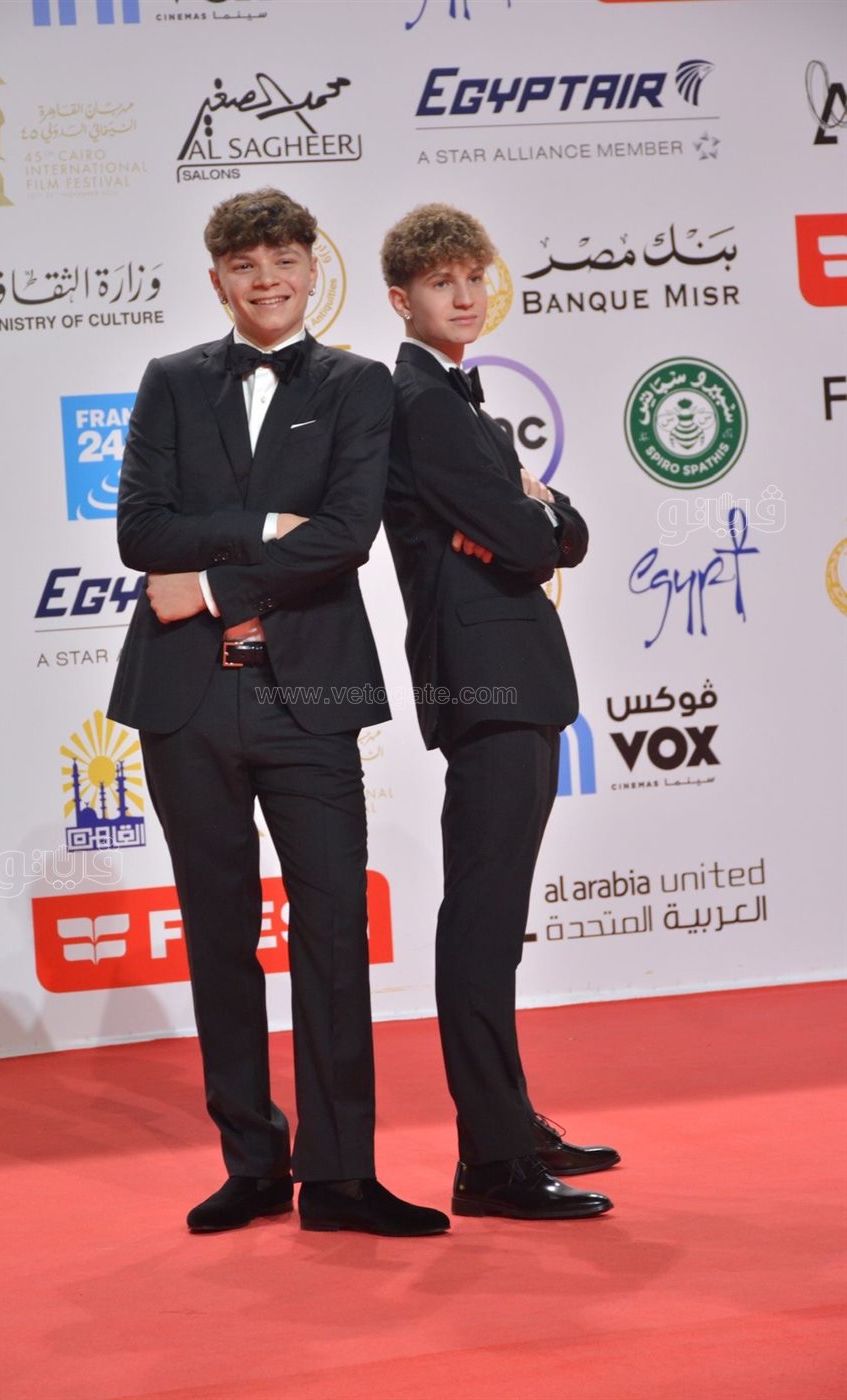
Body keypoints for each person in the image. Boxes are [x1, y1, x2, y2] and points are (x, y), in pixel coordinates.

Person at [108, 188, 448, 1238]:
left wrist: (212, 582)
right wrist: (264, 527)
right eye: (244, 264)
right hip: (185, 700)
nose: (266, 280)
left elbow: (346, 534)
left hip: (311, 695)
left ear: (311, 269)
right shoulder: (171, 380)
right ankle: (252, 1158)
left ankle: (339, 1175)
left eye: (283, 260)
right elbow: (138, 531)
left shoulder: (357, 384)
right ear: (218, 280)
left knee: (333, 927)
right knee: (218, 931)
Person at [380, 204, 620, 1220]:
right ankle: (491, 1161)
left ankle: (510, 1122)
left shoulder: (463, 406)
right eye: (442, 282)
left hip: (512, 679)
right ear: (402, 300)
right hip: (486, 680)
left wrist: (535, 513)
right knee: (481, 922)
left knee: (495, 921)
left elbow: (565, 532)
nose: (466, 295)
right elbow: (533, 543)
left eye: (474, 277)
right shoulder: (421, 405)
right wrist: (531, 519)